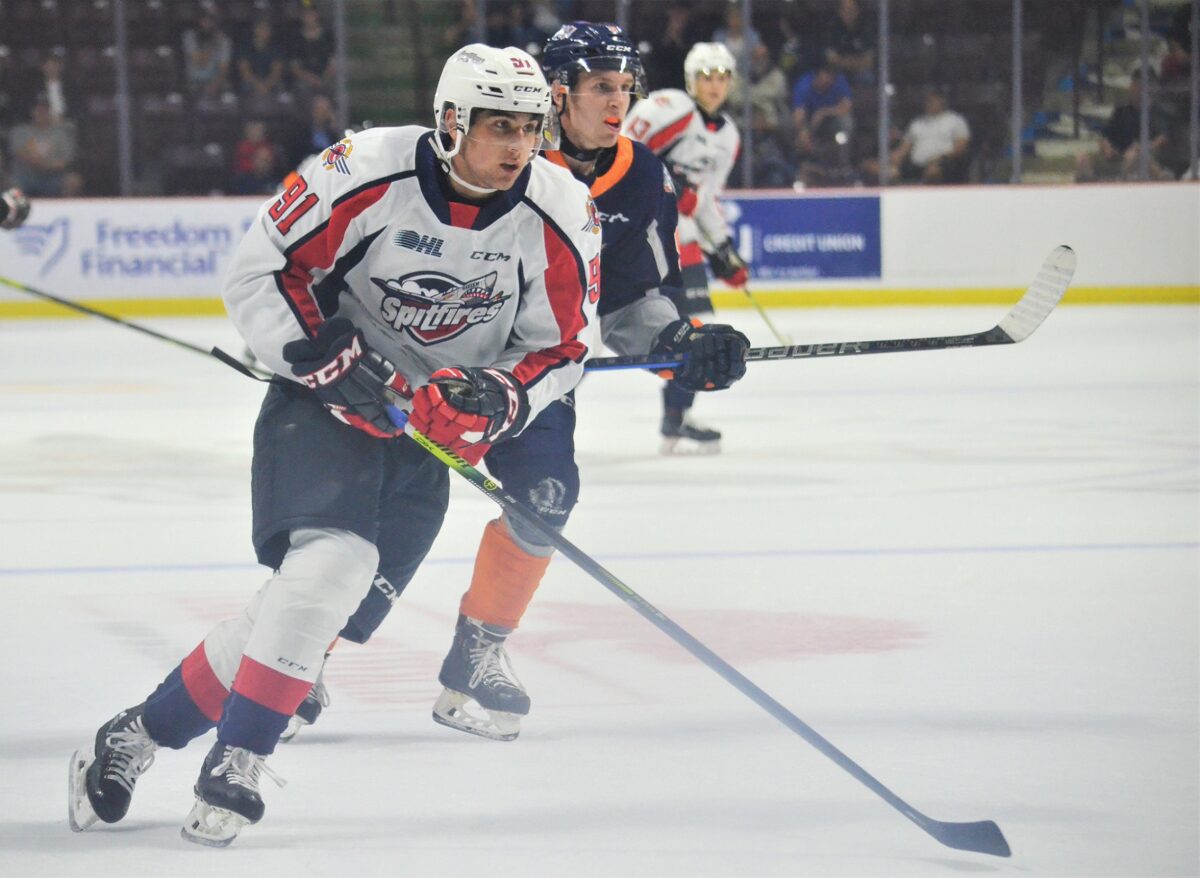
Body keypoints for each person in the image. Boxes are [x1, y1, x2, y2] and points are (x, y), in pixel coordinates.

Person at [67, 43, 600, 847]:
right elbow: (258, 272)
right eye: (499, 126)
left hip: (426, 435)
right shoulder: (363, 171)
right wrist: (316, 354)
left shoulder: (559, 208)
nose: (518, 146)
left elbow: (563, 347)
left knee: (305, 611)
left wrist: (501, 395)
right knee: (331, 566)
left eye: (530, 128)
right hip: (321, 404)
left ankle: (137, 734)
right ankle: (239, 757)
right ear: (451, 122)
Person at [282, 22, 750, 746]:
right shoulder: (501, 155)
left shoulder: (647, 176)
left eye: (625, 87)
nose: (618, 101)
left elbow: (630, 303)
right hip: (421, 357)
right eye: (601, 88)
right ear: (556, 93)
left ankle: (477, 653)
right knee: (382, 514)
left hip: (528, 377)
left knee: (547, 496)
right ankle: (306, 655)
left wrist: (681, 344)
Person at [623, 41, 748, 454]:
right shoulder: (670, 107)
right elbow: (621, 152)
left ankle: (675, 419)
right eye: (706, 77)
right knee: (593, 328)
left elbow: (705, 198)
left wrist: (724, 248)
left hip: (682, 238)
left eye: (721, 77)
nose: (714, 85)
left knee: (697, 331)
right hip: (637, 230)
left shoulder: (728, 135)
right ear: (691, 81)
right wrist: (669, 179)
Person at [1074, 70, 1175, 183]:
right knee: (1082, 159)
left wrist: (1142, 149)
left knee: (1133, 156)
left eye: (1140, 85)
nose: (1135, 88)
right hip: (1118, 157)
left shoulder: (1159, 112)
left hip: (1147, 159)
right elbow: (1105, 137)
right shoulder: (1121, 112)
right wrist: (1106, 147)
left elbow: (1163, 139)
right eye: (1134, 84)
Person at [863, 87, 970, 185]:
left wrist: (941, 158)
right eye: (927, 101)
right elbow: (902, 150)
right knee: (887, 171)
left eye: (932, 101)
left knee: (933, 171)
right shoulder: (917, 123)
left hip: (944, 164)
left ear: (942, 101)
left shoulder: (955, 120)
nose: (928, 104)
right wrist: (883, 161)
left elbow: (961, 148)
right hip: (915, 166)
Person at [790, 60, 854, 187]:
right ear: (818, 74)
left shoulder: (838, 81)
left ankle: (843, 164)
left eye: (832, 77)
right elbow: (798, 114)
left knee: (846, 122)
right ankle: (800, 169)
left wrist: (823, 113)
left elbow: (846, 106)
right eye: (826, 75)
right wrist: (803, 132)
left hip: (830, 122)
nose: (829, 80)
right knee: (796, 134)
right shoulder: (804, 84)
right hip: (808, 123)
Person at [7, 93, 83, 197]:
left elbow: (67, 159)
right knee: (11, 184)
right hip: (25, 176)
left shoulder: (61, 133)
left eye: (44, 110)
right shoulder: (20, 131)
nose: (41, 113)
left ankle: (65, 210)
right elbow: (20, 153)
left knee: (73, 180)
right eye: (38, 110)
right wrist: (38, 162)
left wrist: (50, 166)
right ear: (32, 112)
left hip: (53, 176)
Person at [182, 10, 233, 97]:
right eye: (203, 19)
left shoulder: (224, 40)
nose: (206, 23)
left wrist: (216, 84)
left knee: (228, 94)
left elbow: (224, 68)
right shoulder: (189, 36)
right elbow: (200, 62)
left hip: (216, 79)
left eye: (210, 20)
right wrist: (213, 43)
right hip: (194, 79)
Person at [288, 5, 336, 97]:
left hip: (327, 77)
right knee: (301, 90)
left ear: (317, 15)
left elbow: (333, 62)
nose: (309, 18)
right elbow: (295, 68)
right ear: (302, 17)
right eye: (306, 15)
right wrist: (312, 79)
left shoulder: (328, 35)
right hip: (306, 79)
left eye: (311, 14)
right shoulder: (296, 39)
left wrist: (324, 79)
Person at [237, 17, 287, 98]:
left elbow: (277, 71)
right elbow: (245, 72)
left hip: (270, 81)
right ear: (255, 30)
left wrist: (266, 85)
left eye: (267, 29)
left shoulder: (276, 48)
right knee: (245, 86)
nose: (265, 31)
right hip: (252, 81)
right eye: (261, 28)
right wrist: (258, 85)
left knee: (281, 87)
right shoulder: (245, 47)